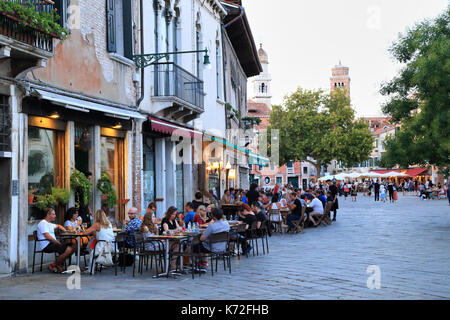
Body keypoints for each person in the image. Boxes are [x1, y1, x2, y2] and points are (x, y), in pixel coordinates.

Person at [37, 208, 75, 273]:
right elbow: (47, 236)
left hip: (53, 243)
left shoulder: (49, 224)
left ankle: (56, 264)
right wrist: (57, 242)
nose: (55, 216)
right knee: (68, 249)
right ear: (48, 215)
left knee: (73, 246)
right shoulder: (43, 223)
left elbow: (59, 226)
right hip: (47, 245)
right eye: (53, 214)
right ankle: (56, 265)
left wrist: (65, 230)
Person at [192, 208, 230, 272]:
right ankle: (203, 263)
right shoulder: (226, 224)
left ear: (213, 217)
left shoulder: (211, 226)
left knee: (195, 246)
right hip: (223, 247)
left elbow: (202, 238)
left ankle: (199, 264)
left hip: (212, 248)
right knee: (203, 245)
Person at [82, 209, 115, 273]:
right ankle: (97, 264)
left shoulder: (97, 224)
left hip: (104, 246)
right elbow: (99, 235)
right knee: (93, 249)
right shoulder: (109, 223)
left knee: (92, 253)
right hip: (113, 246)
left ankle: (90, 270)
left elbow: (85, 233)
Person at [160, 206, 183, 271]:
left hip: (173, 240)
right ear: (169, 213)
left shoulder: (174, 220)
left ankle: (176, 264)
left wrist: (179, 229)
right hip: (165, 241)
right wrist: (175, 230)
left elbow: (178, 228)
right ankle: (173, 265)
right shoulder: (165, 220)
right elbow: (167, 231)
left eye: (175, 214)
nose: (174, 216)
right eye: (173, 214)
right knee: (178, 245)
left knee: (182, 244)